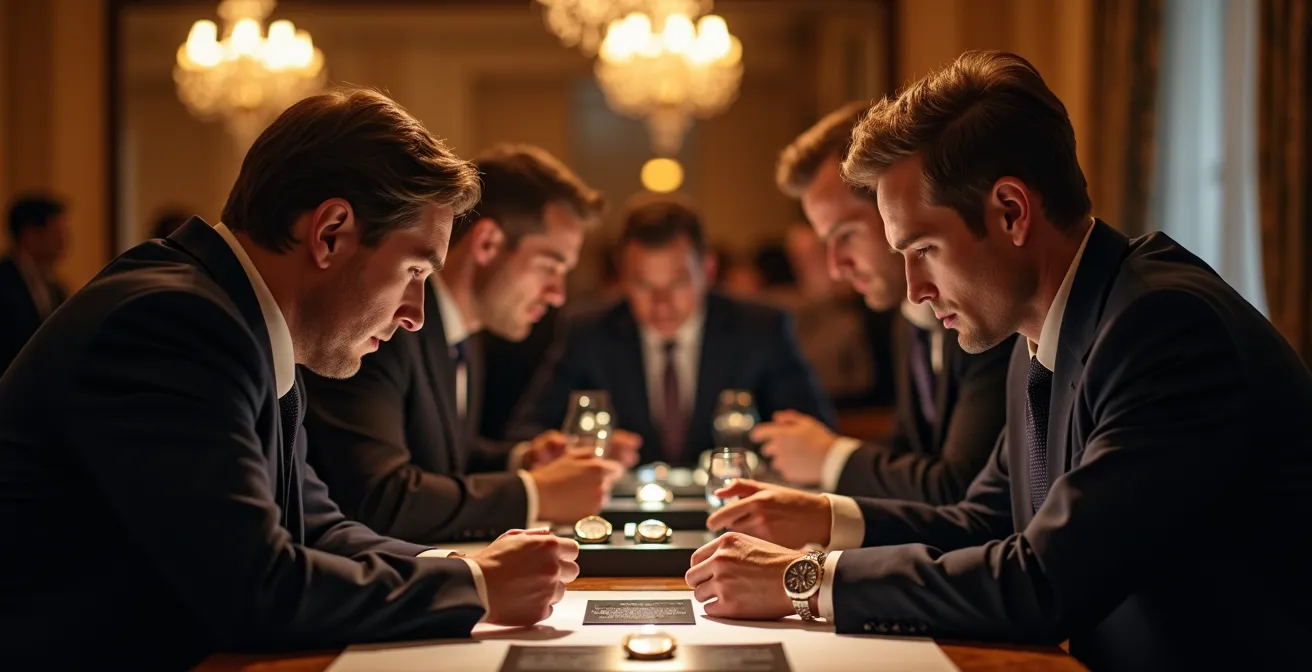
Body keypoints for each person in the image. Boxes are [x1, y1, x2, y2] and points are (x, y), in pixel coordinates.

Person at [684, 52, 1312, 670]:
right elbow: (985, 522)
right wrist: (823, 516)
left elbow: (1044, 580)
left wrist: (806, 578)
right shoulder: (1037, 332)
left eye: (924, 248)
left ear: (1011, 211)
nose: (915, 291)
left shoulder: (1164, 327)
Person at [0, 89, 578, 669]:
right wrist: (474, 589)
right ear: (330, 232)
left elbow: (316, 526)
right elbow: (254, 588)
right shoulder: (175, 323)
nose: (416, 314)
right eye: (413, 270)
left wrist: (465, 569)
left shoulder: (241, 318)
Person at [303, 144, 637, 544]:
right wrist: (535, 493)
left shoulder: (463, 333)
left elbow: (442, 457)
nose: (558, 294)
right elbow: (378, 495)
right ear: (487, 244)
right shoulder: (387, 327)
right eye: (550, 265)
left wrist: (523, 459)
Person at [753, 101, 1012, 503]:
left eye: (847, 235)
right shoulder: (909, 317)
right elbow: (911, 450)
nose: (837, 267)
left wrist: (830, 459)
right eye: (826, 243)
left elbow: (963, 489)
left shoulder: (988, 309)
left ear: (892, 206)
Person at [513, 195, 835, 468]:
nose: (661, 304)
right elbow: (527, 431)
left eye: (678, 282)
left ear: (707, 270)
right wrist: (580, 449)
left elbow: (814, 432)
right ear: (622, 277)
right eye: (643, 284)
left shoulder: (760, 328)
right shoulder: (588, 332)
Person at [0, 194, 68, 373]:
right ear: (29, 234)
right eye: (57, 232)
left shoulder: (56, 289)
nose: (64, 241)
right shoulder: (4, 284)